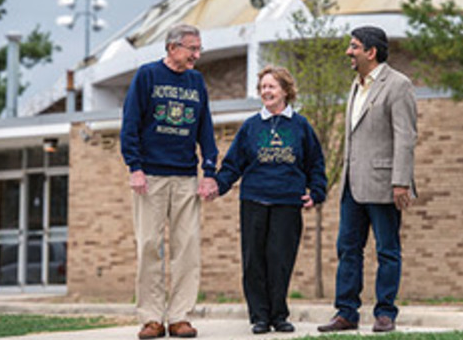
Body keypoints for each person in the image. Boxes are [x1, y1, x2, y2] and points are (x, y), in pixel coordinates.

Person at [209, 66, 327, 335]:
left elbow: (315, 163)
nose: (266, 91)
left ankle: (279, 315)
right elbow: (233, 164)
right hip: (254, 201)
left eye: (271, 86)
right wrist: (218, 185)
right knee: (254, 261)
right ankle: (259, 317)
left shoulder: (300, 126)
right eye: (263, 87)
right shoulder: (251, 126)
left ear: (285, 90)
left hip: (287, 202)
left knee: (280, 260)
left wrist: (317, 191)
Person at [120, 23, 218, 339]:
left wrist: (210, 170)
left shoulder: (196, 81)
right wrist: (134, 166)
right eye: (193, 48)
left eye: (198, 48)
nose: (197, 55)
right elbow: (130, 124)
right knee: (149, 245)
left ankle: (179, 317)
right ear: (173, 47)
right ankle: (151, 318)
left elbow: (205, 127)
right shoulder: (147, 76)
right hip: (150, 176)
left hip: (186, 176)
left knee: (186, 248)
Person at [317, 26, 417, 333]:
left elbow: (406, 136)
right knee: (348, 248)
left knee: (387, 250)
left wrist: (401, 181)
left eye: (354, 47)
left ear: (371, 52)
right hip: (352, 184)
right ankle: (346, 312)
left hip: (385, 183)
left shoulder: (398, 85)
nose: (349, 52)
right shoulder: (355, 85)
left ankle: (385, 313)